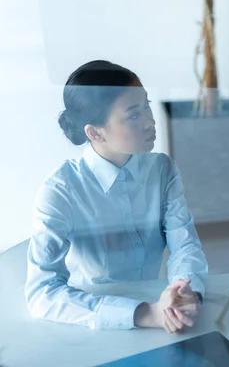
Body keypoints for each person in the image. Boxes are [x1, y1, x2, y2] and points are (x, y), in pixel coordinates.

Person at [25, 60, 208, 333]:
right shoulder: (60, 191)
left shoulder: (162, 169)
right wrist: (145, 313)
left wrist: (183, 290)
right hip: (90, 325)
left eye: (146, 105)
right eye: (134, 115)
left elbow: (185, 246)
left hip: (162, 311)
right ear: (95, 132)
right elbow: (41, 292)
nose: (150, 121)